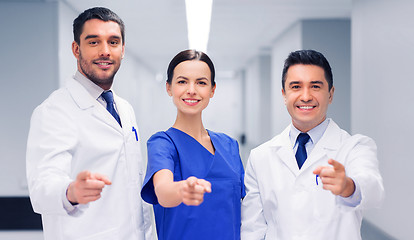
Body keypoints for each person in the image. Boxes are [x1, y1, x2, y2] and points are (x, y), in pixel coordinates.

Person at [26, 7, 153, 240]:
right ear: (76, 49)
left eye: (113, 42)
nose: (105, 51)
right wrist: (71, 191)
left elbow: (133, 184)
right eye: (93, 42)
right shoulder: (54, 111)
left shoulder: (125, 109)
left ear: (122, 50)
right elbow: (42, 187)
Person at [240, 49, 384, 240]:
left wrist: (349, 186)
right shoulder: (260, 156)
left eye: (315, 86)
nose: (306, 96)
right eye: (296, 87)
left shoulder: (355, 147)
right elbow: (252, 229)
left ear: (330, 94)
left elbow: (373, 189)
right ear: (284, 94)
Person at [141, 49, 245, 240]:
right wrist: (182, 190)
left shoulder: (229, 146)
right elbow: (163, 191)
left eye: (201, 82)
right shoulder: (163, 143)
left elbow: (246, 207)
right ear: (169, 88)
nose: (191, 90)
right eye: (182, 81)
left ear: (212, 90)